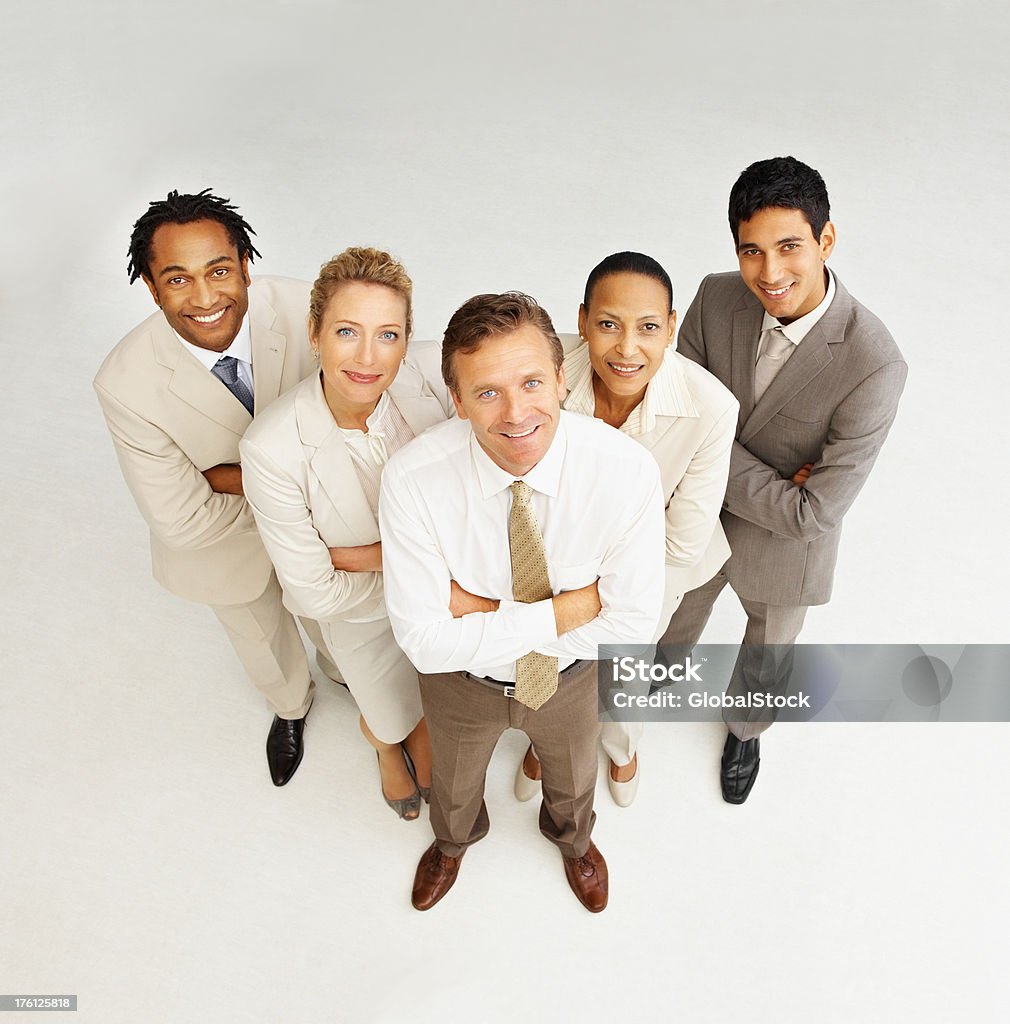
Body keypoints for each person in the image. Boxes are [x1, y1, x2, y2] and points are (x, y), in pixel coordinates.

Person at [380, 291, 666, 912]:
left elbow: (632, 627)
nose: (515, 414)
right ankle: (452, 844)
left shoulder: (625, 471)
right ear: (457, 400)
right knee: (452, 787)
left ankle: (574, 843)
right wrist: (569, 610)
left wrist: (476, 611)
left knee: (572, 778)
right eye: (486, 392)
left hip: (570, 679)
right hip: (461, 684)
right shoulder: (412, 478)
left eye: (532, 382)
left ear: (563, 377)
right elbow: (425, 643)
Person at [658, 156, 908, 803]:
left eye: (789, 247)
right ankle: (660, 675)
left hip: (786, 551)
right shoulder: (716, 298)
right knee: (676, 608)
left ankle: (745, 730)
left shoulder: (873, 364)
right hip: (696, 517)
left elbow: (812, 514)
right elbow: (673, 416)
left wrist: (714, 451)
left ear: (826, 240)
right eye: (752, 251)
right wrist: (773, 477)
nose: (769, 273)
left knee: (767, 649)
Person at [94, 189, 337, 787]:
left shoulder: (311, 309)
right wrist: (300, 489)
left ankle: (347, 676)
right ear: (151, 289)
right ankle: (291, 710)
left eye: (220, 271)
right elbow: (180, 520)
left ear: (246, 267)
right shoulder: (122, 382)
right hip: (225, 551)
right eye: (177, 280)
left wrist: (228, 480)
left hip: (331, 530)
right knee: (261, 641)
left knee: (337, 625)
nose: (205, 298)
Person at [513, 252, 738, 807]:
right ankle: (546, 743)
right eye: (608, 325)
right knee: (551, 651)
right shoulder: (543, 370)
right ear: (584, 320)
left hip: (659, 568)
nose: (627, 348)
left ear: (672, 328)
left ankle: (621, 747)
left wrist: (594, 587)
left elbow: (682, 541)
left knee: (623, 672)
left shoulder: (712, 407)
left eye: (648, 328)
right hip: (556, 551)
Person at [239, 247, 452, 818]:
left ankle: (420, 729)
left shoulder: (427, 377)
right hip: (362, 620)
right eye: (347, 332)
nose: (368, 357)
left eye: (388, 335)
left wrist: (362, 556)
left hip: (448, 605)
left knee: (438, 695)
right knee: (388, 710)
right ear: (315, 333)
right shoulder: (271, 448)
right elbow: (313, 592)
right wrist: (417, 570)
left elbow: (523, 350)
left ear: (408, 339)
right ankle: (383, 742)